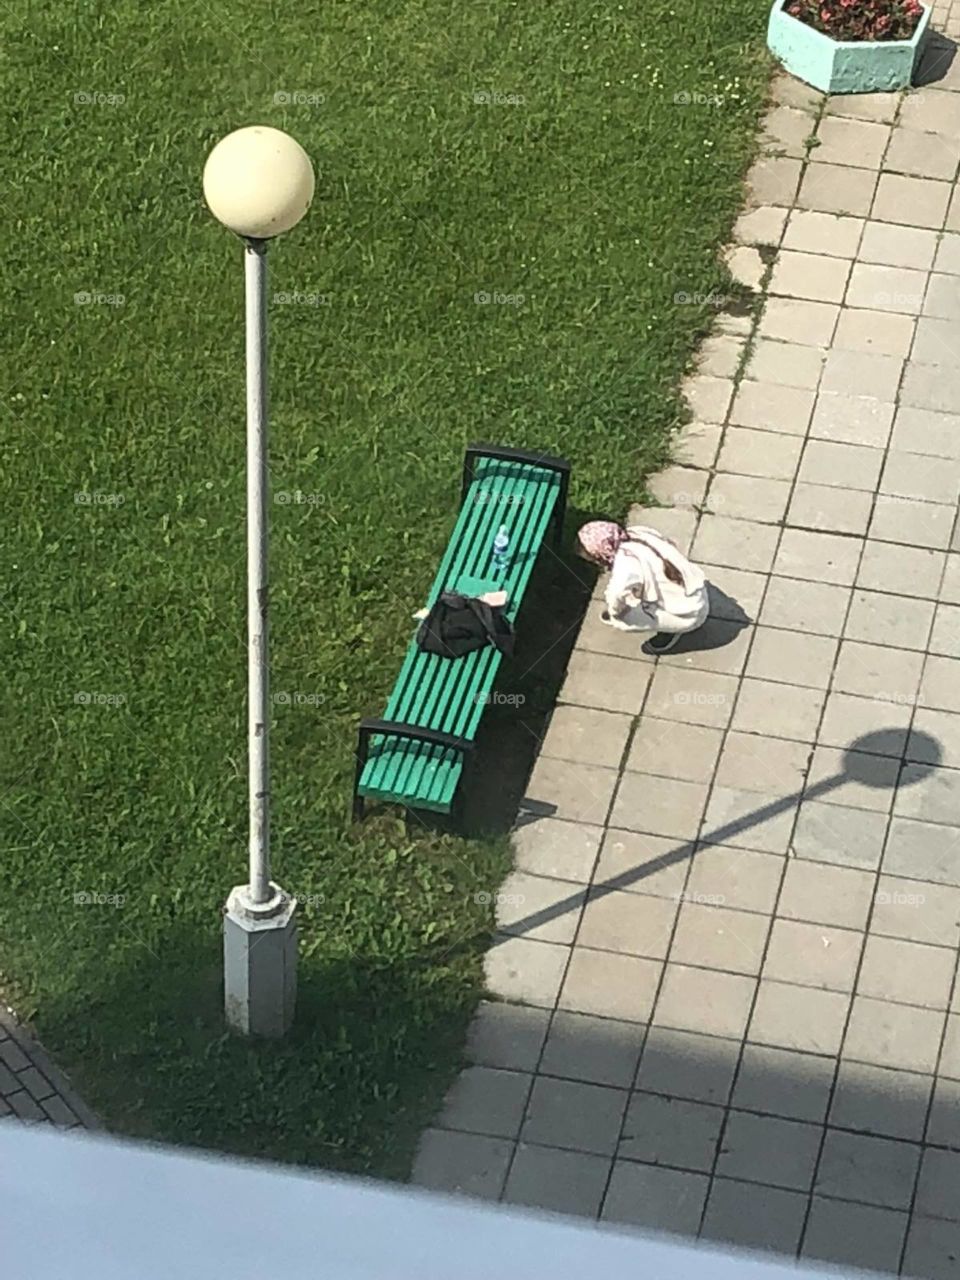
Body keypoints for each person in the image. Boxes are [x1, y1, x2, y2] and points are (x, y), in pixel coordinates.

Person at [577, 520, 709, 654]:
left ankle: (673, 629)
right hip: (695, 593)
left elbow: (616, 593)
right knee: (642, 590)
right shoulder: (638, 532)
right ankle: (667, 614)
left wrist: (614, 612)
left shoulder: (626, 565)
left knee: (622, 619)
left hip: (689, 614)